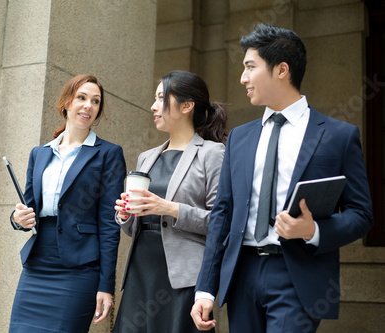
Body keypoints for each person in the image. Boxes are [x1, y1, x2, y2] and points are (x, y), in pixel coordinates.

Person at [191, 23, 374, 333]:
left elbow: (362, 214)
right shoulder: (239, 137)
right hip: (241, 276)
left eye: (250, 67)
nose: (243, 78)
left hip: (297, 275)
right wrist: (205, 288)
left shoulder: (338, 137)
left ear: (282, 70)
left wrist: (313, 230)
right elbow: (223, 212)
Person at [8, 74, 126, 332]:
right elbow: (28, 208)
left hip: (79, 269)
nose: (88, 106)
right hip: (37, 264)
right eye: (81, 98)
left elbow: (109, 224)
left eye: (95, 101)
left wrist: (106, 286)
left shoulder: (108, 154)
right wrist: (18, 219)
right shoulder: (39, 154)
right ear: (66, 103)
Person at [112, 70, 228, 333]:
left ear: (187, 106)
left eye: (162, 98)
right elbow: (132, 228)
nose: (154, 106)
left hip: (182, 277)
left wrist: (169, 208)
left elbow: (220, 221)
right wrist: (125, 213)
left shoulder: (212, 154)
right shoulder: (147, 157)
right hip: (141, 270)